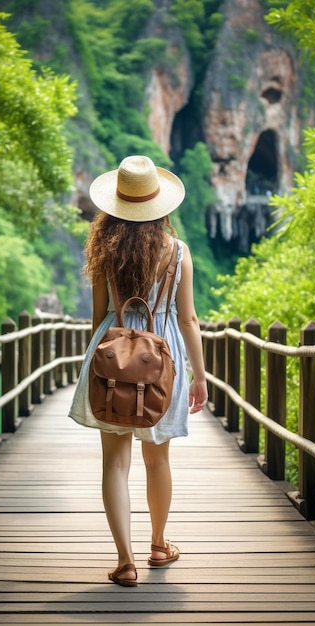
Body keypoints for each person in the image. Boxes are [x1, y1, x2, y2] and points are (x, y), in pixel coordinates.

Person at [69, 154, 208, 587]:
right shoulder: (177, 252)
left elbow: (97, 318)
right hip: (161, 358)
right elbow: (188, 320)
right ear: (159, 204)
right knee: (157, 458)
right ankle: (158, 545)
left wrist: (100, 361)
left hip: (111, 355)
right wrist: (200, 376)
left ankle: (125, 562)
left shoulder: (103, 251)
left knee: (114, 461)